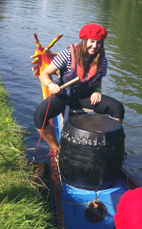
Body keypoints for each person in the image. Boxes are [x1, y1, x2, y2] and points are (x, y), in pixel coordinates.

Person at [34, 23, 125, 151]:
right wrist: (51, 85)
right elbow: (44, 74)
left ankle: (106, 147)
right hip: (65, 95)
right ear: (84, 40)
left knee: (118, 108)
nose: (94, 46)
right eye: (91, 41)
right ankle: (57, 150)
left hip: (86, 97)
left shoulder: (103, 60)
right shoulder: (68, 54)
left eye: (98, 43)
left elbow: (98, 80)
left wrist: (98, 91)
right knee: (39, 116)